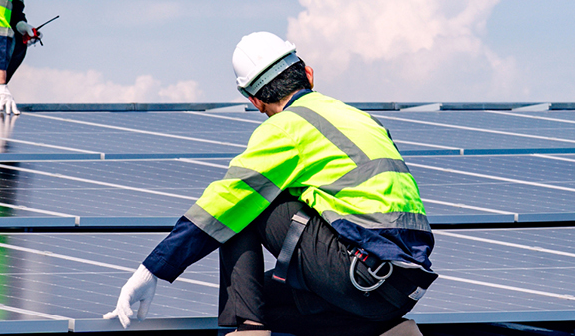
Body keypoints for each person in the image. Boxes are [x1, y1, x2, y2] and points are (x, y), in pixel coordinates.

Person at [104, 32, 434, 336]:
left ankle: (249, 332)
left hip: (357, 271)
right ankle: (392, 332)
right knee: (263, 298)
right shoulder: (358, 117)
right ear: (309, 74)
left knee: (246, 201)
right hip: (400, 288)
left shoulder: (288, 127)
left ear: (255, 101)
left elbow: (225, 201)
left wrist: (153, 269)